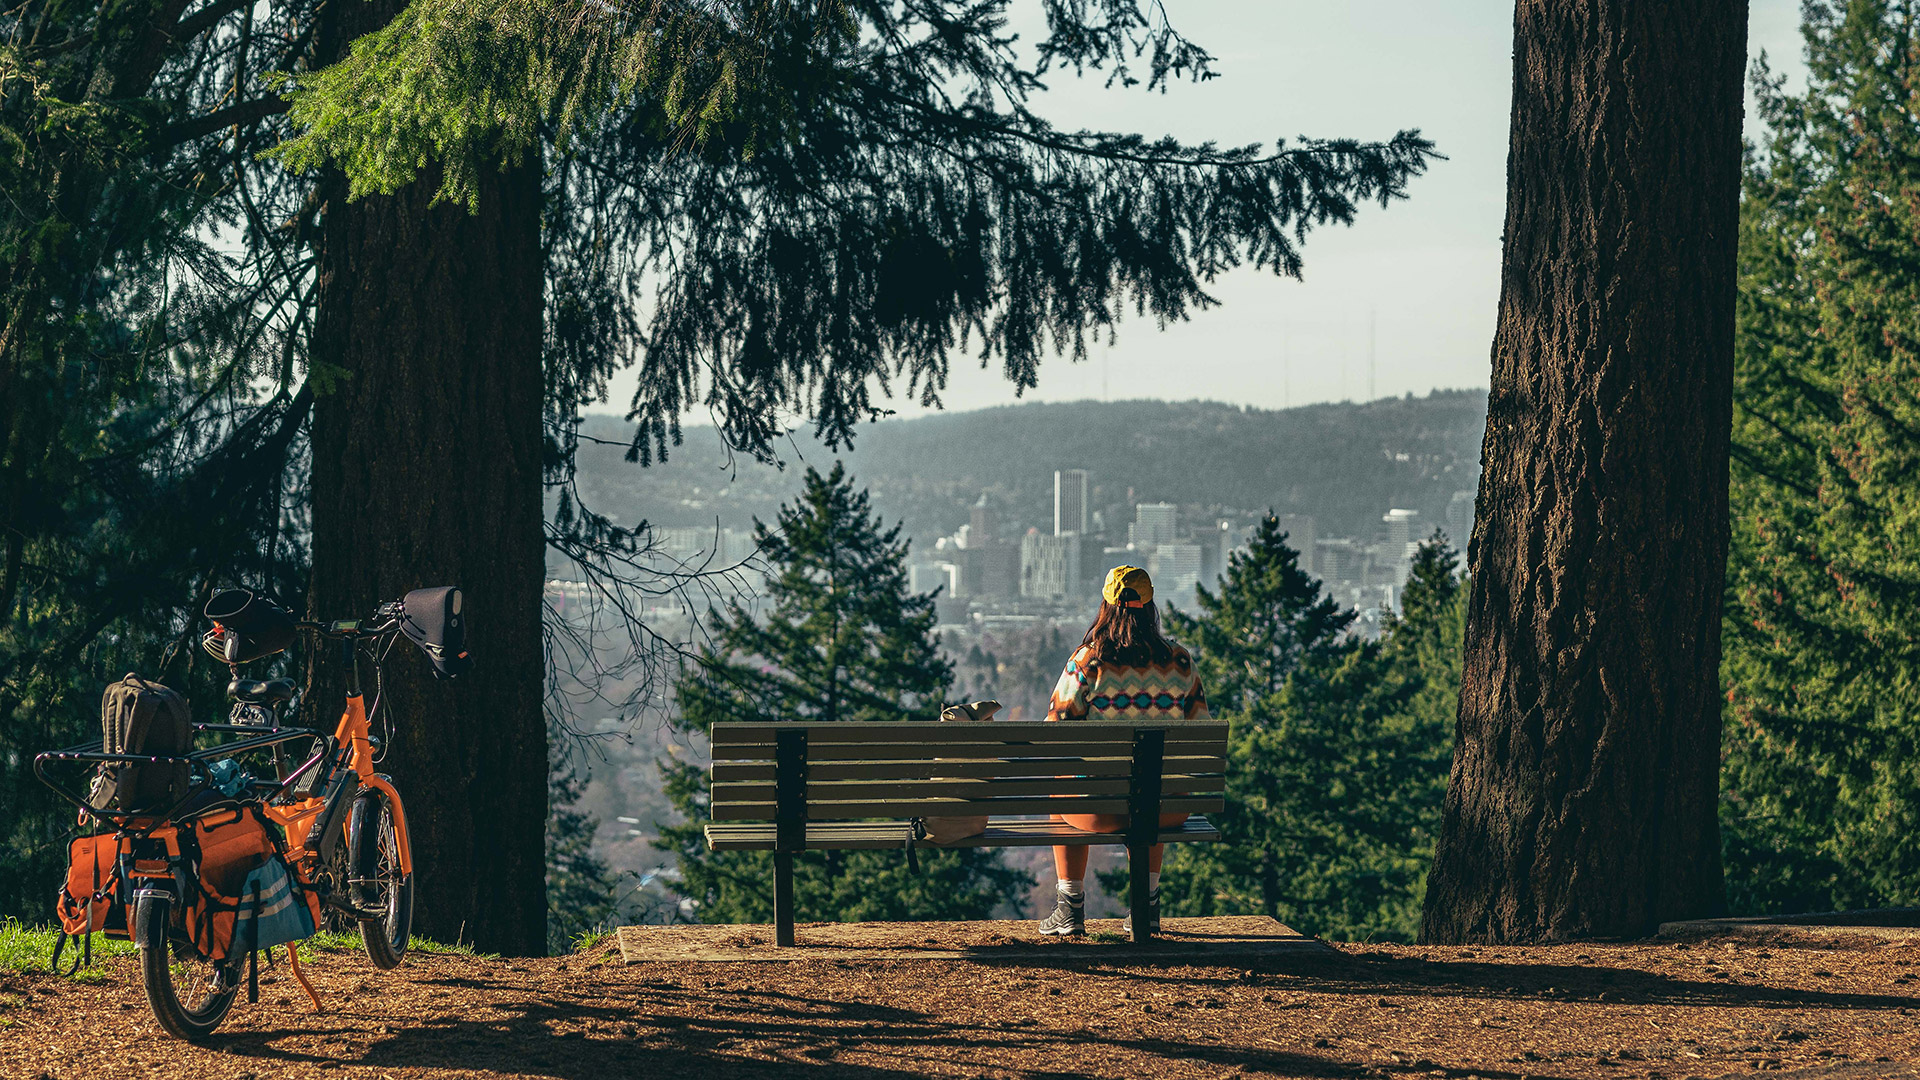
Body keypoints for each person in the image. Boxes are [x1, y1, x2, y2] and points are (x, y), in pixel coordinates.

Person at [1037, 565, 1209, 936]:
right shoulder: (1180, 662)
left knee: (1059, 789)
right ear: (1150, 606)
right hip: (1168, 810)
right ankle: (1146, 905)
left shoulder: (1088, 662)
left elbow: (1054, 733)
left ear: (1106, 605)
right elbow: (1200, 731)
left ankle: (1069, 906)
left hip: (1101, 811)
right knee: (1153, 790)